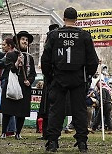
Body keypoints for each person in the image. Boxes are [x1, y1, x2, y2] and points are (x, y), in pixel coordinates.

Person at [41, 7, 98, 152]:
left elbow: (45, 58)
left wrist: (48, 76)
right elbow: (93, 60)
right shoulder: (84, 36)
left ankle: (52, 141)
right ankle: (82, 142)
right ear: (76, 19)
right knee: (79, 111)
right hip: (78, 77)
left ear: (64, 18)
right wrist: (89, 76)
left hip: (58, 77)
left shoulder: (54, 35)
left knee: (56, 110)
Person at [0, 31, 36, 139]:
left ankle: (18, 133)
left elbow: (33, 73)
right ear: (18, 41)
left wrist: (29, 80)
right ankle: (4, 132)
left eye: (26, 40)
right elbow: (10, 69)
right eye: (23, 39)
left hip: (24, 87)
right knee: (8, 109)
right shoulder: (10, 55)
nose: (25, 42)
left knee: (22, 111)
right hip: (12, 84)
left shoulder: (30, 57)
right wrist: (16, 63)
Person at [0, 38, 17, 137]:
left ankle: (10, 129)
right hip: (5, 80)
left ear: (9, 46)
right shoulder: (8, 54)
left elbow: (0, 63)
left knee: (7, 105)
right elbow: (0, 55)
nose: (3, 46)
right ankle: (10, 129)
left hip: (8, 80)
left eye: (4, 45)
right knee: (8, 105)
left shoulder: (10, 55)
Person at [38, 24, 59, 140]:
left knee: (52, 108)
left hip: (53, 79)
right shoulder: (51, 41)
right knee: (47, 109)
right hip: (50, 80)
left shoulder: (53, 41)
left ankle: (51, 133)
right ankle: (46, 133)